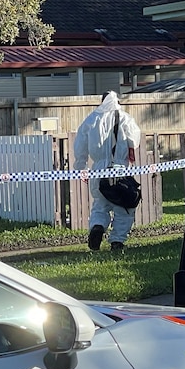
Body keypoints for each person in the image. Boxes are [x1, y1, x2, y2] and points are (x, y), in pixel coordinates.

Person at [73, 91, 141, 252]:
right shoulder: (125, 118)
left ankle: (97, 227)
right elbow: (134, 140)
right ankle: (117, 240)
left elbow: (80, 146)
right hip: (119, 170)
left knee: (100, 206)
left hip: (98, 171)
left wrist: (81, 168)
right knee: (124, 207)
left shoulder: (91, 119)